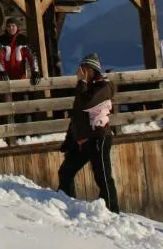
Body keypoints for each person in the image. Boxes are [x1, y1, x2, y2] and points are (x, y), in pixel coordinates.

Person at [58, 53, 119, 213]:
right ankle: (66, 203)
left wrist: (82, 82)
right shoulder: (84, 88)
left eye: (84, 69)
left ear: (92, 70)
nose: (81, 72)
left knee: (103, 177)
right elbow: (77, 116)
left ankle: (113, 212)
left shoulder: (104, 87)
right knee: (65, 172)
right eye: (80, 69)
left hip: (99, 137)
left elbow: (87, 104)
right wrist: (69, 140)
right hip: (83, 141)